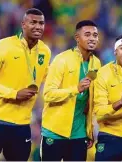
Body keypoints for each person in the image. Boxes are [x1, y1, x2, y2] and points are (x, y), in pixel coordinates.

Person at [0, 8, 51, 161]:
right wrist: (14, 94)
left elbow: (49, 78)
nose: (38, 26)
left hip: (22, 125)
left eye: (41, 23)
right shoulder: (4, 46)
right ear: (23, 24)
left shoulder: (45, 51)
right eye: (33, 22)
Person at [41, 20, 101, 161]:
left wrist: (89, 131)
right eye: (87, 34)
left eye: (95, 35)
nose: (92, 38)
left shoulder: (96, 63)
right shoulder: (62, 60)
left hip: (79, 134)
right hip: (54, 132)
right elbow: (48, 94)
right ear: (77, 38)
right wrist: (75, 89)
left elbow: (90, 100)